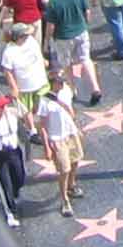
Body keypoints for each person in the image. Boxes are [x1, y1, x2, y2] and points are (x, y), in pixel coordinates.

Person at [40, 71, 86, 217]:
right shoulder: (45, 101)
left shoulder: (65, 93)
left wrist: (76, 128)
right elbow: (41, 125)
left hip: (70, 134)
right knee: (64, 169)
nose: (62, 84)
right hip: (57, 139)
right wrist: (47, 146)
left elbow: (69, 114)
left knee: (75, 160)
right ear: (53, 83)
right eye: (59, 82)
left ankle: (71, 186)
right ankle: (64, 199)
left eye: (62, 81)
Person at [0, 95, 28, 228]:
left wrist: (17, 100)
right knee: (5, 186)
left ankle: (15, 192)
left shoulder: (12, 114)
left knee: (20, 178)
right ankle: (10, 213)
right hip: (0, 156)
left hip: (14, 151)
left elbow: (23, 122)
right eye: (1, 106)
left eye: (5, 105)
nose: (4, 108)